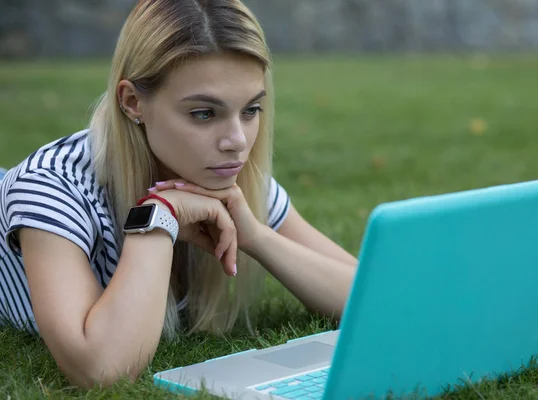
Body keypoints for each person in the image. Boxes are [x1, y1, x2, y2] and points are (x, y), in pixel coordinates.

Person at [0, 0, 357, 390]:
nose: (237, 142)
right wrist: (159, 216)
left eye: (250, 110)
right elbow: (100, 368)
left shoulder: (226, 178)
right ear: (133, 102)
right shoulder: (51, 187)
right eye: (204, 113)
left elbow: (372, 297)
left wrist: (256, 236)